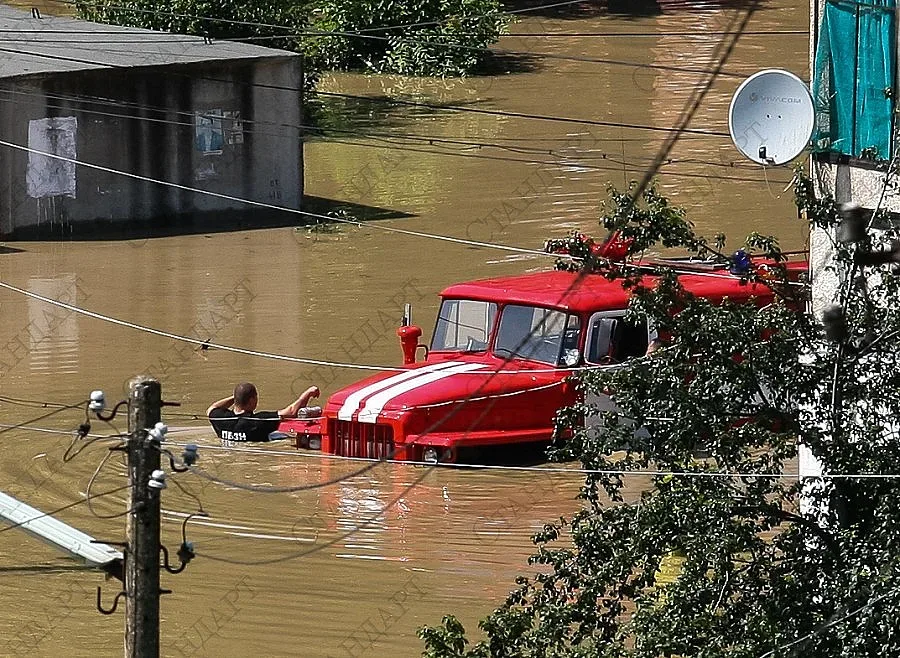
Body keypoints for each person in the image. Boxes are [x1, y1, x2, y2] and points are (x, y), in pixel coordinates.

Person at [207, 382, 319, 445]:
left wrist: (236, 397)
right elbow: (292, 412)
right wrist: (308, 393)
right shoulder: (258, 421)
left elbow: (212, 408)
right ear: (252, 400)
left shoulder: (220, 418)